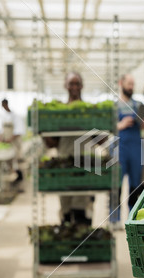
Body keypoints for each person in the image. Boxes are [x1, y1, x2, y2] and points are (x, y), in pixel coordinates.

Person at [45, 71, 94, 225]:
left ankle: (83, 244)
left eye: (77, 83)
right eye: (71, 83)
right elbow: (52, 143)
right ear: (65, 86)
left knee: (82, 210)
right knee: (65, 210)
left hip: (85, 164)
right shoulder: (60, 112)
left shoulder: (89, 111)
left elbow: (101, 139)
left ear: (82, 86)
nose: (74, 87)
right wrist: (43, 129)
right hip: (64, 164)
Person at [111, 74, 144, 229]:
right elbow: (106, 129)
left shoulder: (138, 105)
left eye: (133, 84)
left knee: (135, 185)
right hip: (120, 148)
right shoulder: (114, 107)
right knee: (116, 184)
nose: (131, 87)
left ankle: (132, 217)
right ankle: (114, 219)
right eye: (129, 84)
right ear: (121, 83)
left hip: (136, 149)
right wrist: (120, 125)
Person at [0, 98, 24, 183]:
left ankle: (20, 177)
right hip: (8, 144)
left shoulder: (15, 116)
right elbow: (2, 130)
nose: (3, 107)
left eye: (4, 105)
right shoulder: (4, 117)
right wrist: (1, 137)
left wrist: (11, 139)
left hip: (15, 143)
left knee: (17, 160)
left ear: (6, 104)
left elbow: (19, 131)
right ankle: (15, 176)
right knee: (9, 160)